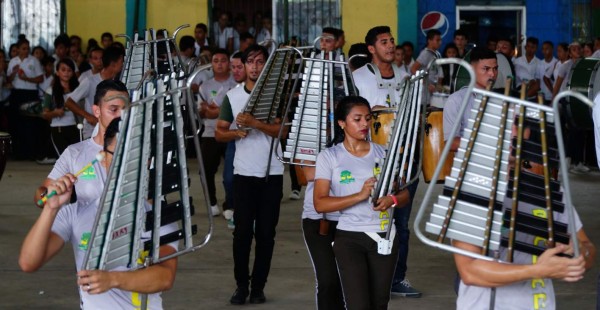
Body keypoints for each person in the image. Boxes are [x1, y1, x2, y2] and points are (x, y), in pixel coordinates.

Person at [20, 116, 178, 309]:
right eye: (118, 155)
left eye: (135, 156)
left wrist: (112, 279)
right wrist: (50, 209)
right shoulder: (76, 212)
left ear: (148, 161)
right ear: (104, 156)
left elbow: (165, 277)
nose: (126, 164)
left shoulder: (159, 215)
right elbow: (29, 262)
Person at [313, 95, 412, 309]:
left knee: (379, 303)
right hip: (349, 237)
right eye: (357, 119)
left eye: (367, 118)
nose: (364, 124)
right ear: (342, 123)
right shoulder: (329, 157)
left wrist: (391, 200)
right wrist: (359, 195)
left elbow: (404, 195)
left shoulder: (383, 153)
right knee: (358, 305)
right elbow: (320, 203)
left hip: (384, 235)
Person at [215, 45, 285, 305]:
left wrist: (256, 124)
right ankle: (241, 286)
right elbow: (220, 132)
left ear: (267, 66)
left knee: (267, 233)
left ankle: (258, 287)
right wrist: (236, 132)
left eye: (260, 62)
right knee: (242, 233)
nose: (255, 66)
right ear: (243, 66)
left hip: (272, 173)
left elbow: (284, 132)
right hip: (243, 174)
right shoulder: (232, 97)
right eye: (251, 62)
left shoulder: (276, 95)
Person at [35, 79, 128, 204]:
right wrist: (50, 193)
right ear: (97, 111)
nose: (120, 116)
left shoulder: (139, 149)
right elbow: (40, 199)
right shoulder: (74, 153)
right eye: (113, 109)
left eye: (125, 110)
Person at [198, 48, 236, 217]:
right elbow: (202, 111)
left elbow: (237, 110)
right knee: (205, 170)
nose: (219, 64)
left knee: (232, 172)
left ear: (229, 64)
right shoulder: (205, 86)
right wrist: (217, 111)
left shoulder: (236, 84)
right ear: (211, 64)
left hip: (231, 132)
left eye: (223, 60)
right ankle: (212, 202)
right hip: (210, 133)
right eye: (216, 61)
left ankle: (230, 204)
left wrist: (215, 110)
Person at [301, 160, 344, 309]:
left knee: (349, 281)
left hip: (353, 218)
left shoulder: (365, 138)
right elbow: (308, 174)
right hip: (318, 219)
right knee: (327, 280)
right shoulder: (309, 136)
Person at [64, 46, 124, 139]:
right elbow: (68, 101)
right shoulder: (89, 81)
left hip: (111, 132)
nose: (123, 64)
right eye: (121, 62)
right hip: (92, 133)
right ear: (113, 64)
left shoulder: (118, 81)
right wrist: (89, 117)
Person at [444, 48, 498, 151]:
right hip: (469, 163)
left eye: (495, 69)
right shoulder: (456, 100)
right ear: (471, 69)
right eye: (486, 69)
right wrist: (486, 144)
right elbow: (450, 143)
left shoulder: (501, 99)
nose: (492, 74)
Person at [353, 26, 408, 109]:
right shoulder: (356, 77)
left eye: (392, 41)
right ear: (371, 49)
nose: (391, 46)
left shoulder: (406, 78)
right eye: (384, 42)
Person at [7, 37, 44, 160]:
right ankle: (17, 152)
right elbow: (8, 80)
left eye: (28, 48)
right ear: (17, 49)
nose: (26, 51)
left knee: (30, 123)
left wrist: (26, 78)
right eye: (23, 48)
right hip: (17, 93)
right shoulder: (13, 61)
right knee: (16, 123)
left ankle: (30, 152)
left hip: (30, 93)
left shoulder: (34, 61)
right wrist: (14, 72)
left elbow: (40, 79)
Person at [41, 58, 80, 156]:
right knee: (64, 159)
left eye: (69, 70)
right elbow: (44, 114)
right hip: (58, 129)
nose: (66, 73)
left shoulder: (79, 89)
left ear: (73, 72)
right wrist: (54, 113)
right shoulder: (51, 91)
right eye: (63, 70)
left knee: (77, 158)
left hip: (76, 127)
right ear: (57, 72)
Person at [539, 41, 558, 105]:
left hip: (552, 98)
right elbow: (538, 81)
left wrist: (553, 93)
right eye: (543, 49)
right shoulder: (539, 63)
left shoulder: (557, 63)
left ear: (552, 50)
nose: (544, 51)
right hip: (541, 97)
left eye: (547, 49)